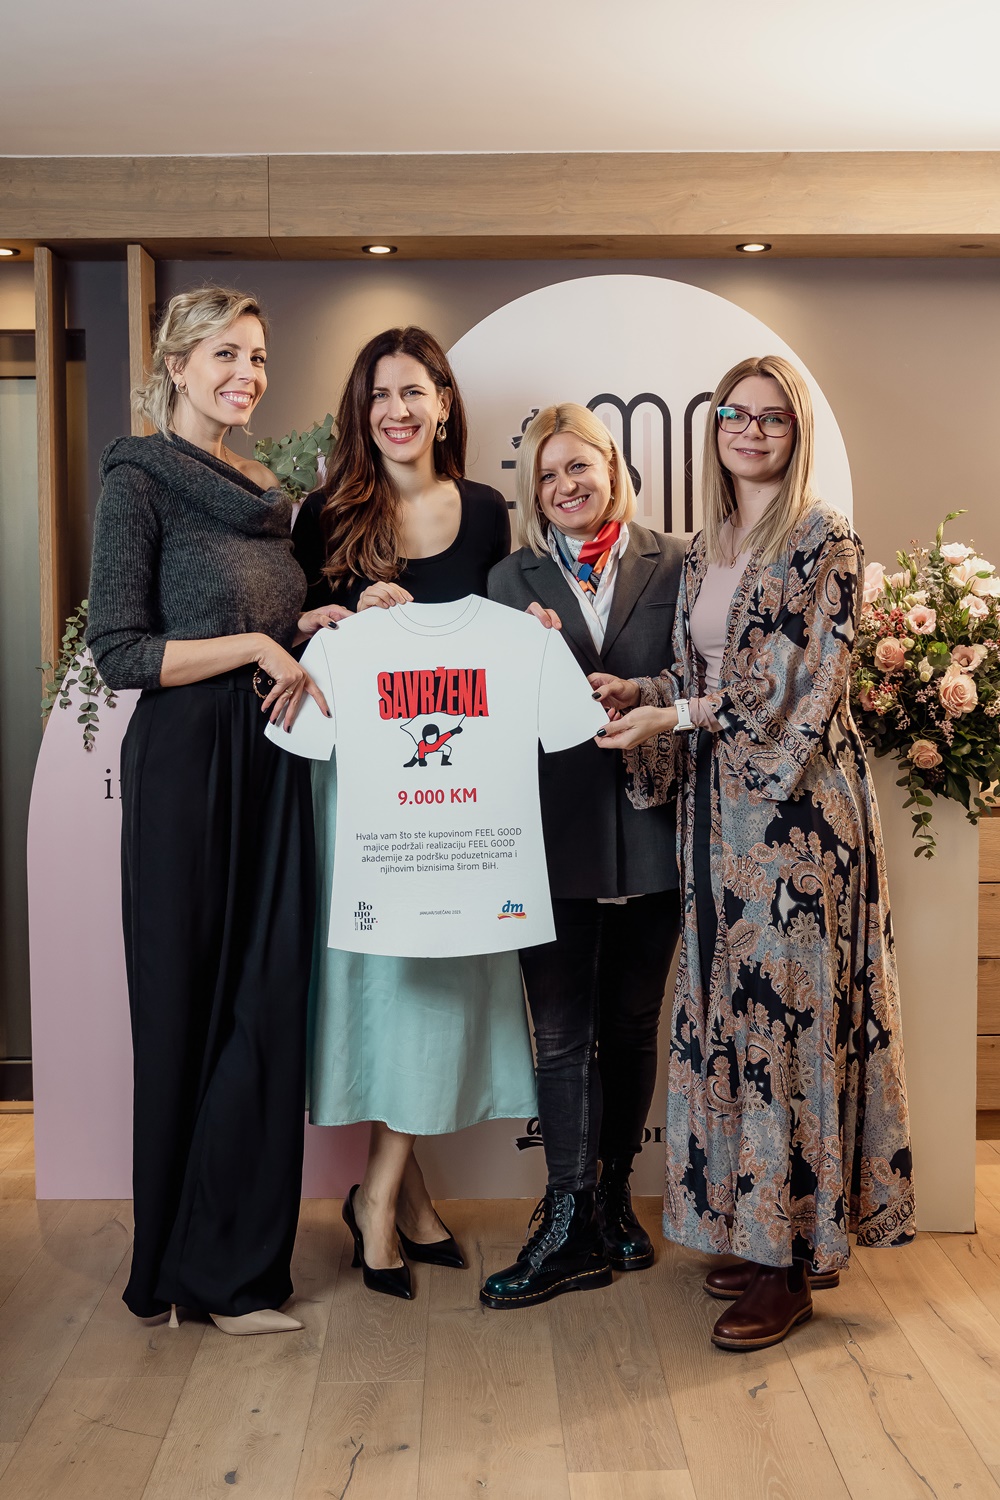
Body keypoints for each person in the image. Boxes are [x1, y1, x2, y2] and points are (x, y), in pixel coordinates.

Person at [593, 355, 915, 1351]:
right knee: (731, 1021)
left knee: (785, 1029)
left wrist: (679, 714)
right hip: (716, 824)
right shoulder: (706, 547)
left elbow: (794, 685)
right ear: (715, 427)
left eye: (773, 417)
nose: (752, 430)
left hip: (796, 823)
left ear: (795, 432)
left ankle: (790, 1265)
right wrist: (643, 696)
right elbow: (700, 676)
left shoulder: (823, 538)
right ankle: (770, 1230)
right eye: (736, 413)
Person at [86, 286, 341, 1336]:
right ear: (177, 365)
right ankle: (177, 1272)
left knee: (266, 1004)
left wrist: (319, 619)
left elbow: (270, 620)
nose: (248, 373)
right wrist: (256, 645)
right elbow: (119, 652)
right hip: (186, 768)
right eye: (227, 353)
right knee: (186, 1009)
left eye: (259, 356)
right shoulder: (138, 480)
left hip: (272, 762)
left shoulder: (266, 490)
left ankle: (234, 1269)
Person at [292, 326, 536, 1297]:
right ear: (362, 412)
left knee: (436, 984)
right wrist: (342, 620)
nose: (395, 411)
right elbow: (298, 648)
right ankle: (392, 1201)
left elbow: (496, 646)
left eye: (412, 392)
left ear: (443, 403)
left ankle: (382, 1194)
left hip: (458, 792)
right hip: (362, 790)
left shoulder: (486, 513)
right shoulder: (323, 516)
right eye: (378, 395)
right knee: (383, 988)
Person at [480, 403, 686, 1309]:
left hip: (653, 832)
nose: (566, 486)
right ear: (532, 491)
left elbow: (701, 677)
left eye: (579, 466)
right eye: (547, 474)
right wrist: (523, 657)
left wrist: (643, 690)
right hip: (550, 837)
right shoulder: (508, 577)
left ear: (612, 467)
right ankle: (565, 1216)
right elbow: (487, 712)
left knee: (633, 1026)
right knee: (561, 1034)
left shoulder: (677, 561)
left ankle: (611, 1199)